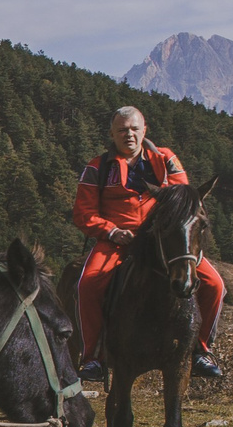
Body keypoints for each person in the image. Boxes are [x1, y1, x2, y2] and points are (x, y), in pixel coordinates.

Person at [72, 105, 224, 382]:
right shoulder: (98, 167)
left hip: (162, 238)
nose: (128, 135)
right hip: (118, 239)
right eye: (121, 130)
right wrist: (111, 230)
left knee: (215, 284)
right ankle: (92, 357)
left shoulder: (166, 159)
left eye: (133, 129)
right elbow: (83, 213)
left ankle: (202, 351)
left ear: (144, 131)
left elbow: (183, 199)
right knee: (88, 285)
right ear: (112, 134)